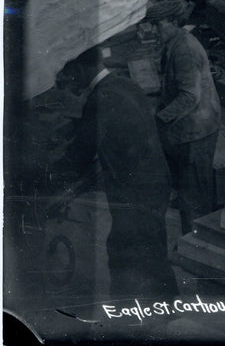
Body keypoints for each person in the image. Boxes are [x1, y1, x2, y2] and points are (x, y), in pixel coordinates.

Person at [53, 47, 177, 298]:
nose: (72, 83)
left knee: (123, 252)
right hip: (156, 179)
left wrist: (50, 171)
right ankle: (169, 307)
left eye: (72, 76)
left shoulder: (100, 99)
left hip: (135, 190)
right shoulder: (125, 84)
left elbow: (80, 155)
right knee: (152, 245)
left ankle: (123, 317)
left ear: (78, 70)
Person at [149, 0, 220, 235]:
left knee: (194, 196)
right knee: (188, 191)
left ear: (173, 22)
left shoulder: (185, 50)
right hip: (188, 129)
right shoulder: (176, 44)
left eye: (157, 25)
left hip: (196, 132)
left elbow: (189, 97)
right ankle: (193, 238)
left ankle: (196, 246)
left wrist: (158, 119)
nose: (153, 30)